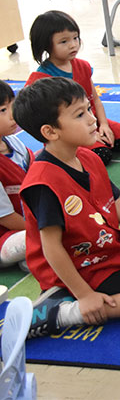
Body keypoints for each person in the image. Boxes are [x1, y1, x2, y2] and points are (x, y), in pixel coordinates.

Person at [12, 78, 120, 339]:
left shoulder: (88, 157)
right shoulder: (43, 183)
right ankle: (62, 312)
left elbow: (116, 204)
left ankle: (77, 297)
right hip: (81, 266)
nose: (92, 118)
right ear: (50, 132)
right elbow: (51, 247)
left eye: (89, 109)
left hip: (108, 249)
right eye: (80, 114)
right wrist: (85, 295)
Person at [25, 10, 120, 164]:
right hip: (69, 131)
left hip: (92, 120)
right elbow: (30, 114)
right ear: (45, 45)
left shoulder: (82, 66)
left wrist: (104, 125)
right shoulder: (41, 80)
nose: (73, 45)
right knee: (101, 155)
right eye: (63, 41)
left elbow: (95, 100)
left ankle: (98, 141)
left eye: (75, 38)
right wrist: (87, 134)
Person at [0, 80, 29, 270]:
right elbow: (6, 218)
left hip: (26, 224)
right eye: (3, 110)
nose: (12, 114)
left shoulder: (14, 143)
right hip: (6, 237)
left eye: (12, 105)